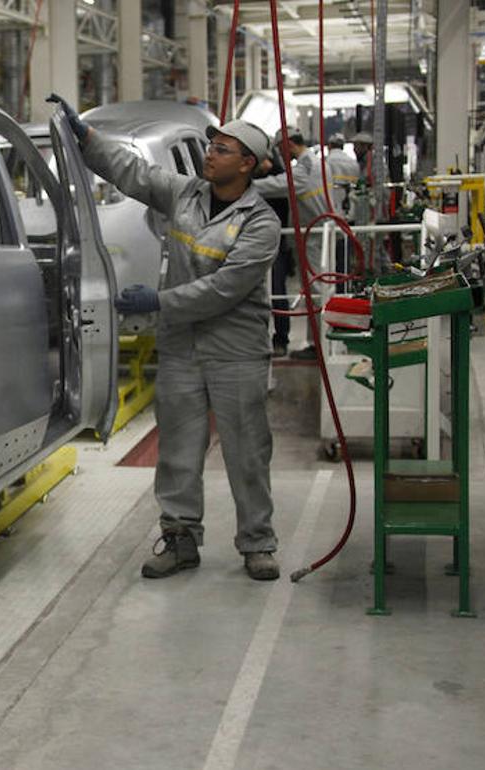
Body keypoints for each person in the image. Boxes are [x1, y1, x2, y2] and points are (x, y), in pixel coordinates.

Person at [47, 94, 281, 581]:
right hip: (182, 348)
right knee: (177, 449)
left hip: (236, 351)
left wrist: (157, 302)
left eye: (222, 148)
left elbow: (224, 289)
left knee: (247, 451)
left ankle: (257, 542)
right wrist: (87, 137)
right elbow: (132, 172)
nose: (209, 153)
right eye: (211, 144)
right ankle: (179, 539)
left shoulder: (262, 223)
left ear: (248, 165)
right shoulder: (184, 194)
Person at [252, 130, 332, 361]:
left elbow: (284, 184)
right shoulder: (314, 161)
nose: (279, 153)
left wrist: (246, 185)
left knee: (316, 291)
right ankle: (317, 344)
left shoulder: (305, 166)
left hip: (314, 234)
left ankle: (317, 347)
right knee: (316, 289)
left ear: (287, 144)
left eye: (280, 147)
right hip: (315, 233)